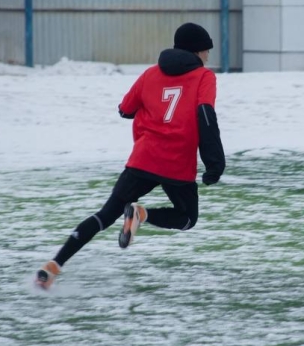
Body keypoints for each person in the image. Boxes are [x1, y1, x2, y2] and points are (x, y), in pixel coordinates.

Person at [35, 22, 226, 289]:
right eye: (207, 51)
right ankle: (141, 214)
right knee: (187, 218)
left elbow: (125, 109)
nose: (208, 57)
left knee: (105, 215)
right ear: (197, 51)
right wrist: (215, 163)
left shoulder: (150, 73)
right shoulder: (204, 77)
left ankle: (53, 266)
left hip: (143, 158)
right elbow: (206, 115)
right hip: (176, 164)